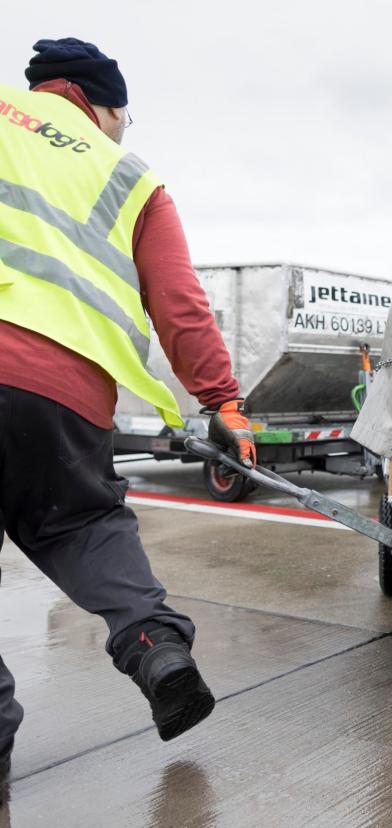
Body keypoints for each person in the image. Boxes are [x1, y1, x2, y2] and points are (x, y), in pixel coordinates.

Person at [0, 38, 256, 802]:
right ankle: (155, 648)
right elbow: (181, 306)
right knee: (81, 524)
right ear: (99, 103)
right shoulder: (132, 179)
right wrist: (223, 403)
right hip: (65, 394)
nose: (123, 130)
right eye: (124, 116)